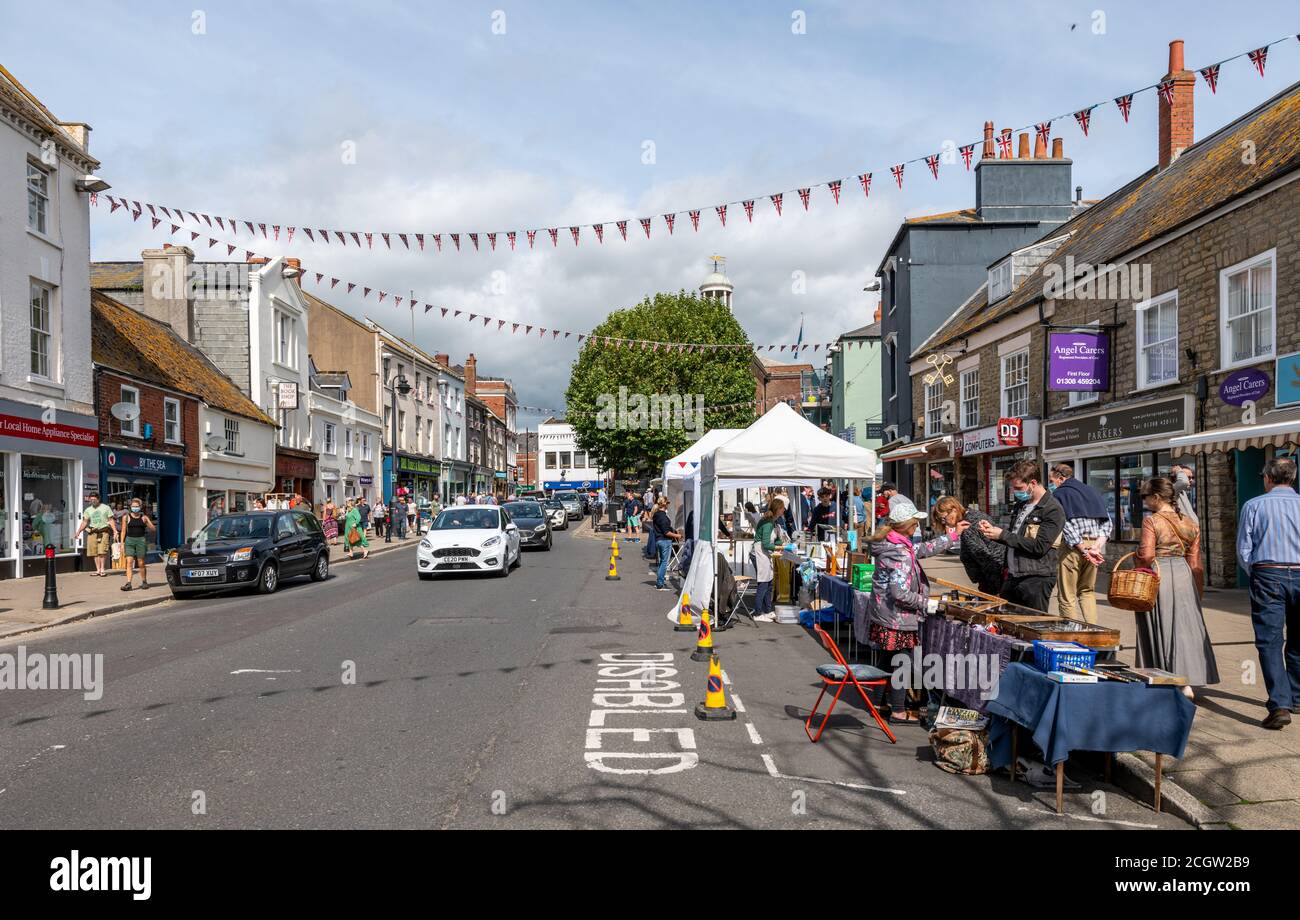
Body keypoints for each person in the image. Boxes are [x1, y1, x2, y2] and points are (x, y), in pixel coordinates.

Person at [867, 497, 969, 722]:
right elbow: (900, 593)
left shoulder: (894, 543)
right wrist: (928, 604)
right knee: (901, 662)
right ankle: (898, 710)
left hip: (886, 614)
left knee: (887, 658)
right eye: (916, 523)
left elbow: (922, 549)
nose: (918, 527)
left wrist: (952, 536)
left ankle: (876, 702)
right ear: (908, 525)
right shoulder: (900, 552)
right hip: (897, 617)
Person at [1134, 476, 1217, 700]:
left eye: (1146, 496)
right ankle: (1188, 680)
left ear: (1157, 497)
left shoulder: (1152, 521)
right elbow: (1196, 561)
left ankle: (1170, 679)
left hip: (1160, 573)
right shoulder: (1190, 523)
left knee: (1163, 626)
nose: (1144, 501)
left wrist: (1137, 560)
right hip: (1184, 575)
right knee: (1185, 629)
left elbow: (1148, 554)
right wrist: (1197, 589)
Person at [1238, 457, 1300, 730]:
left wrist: (1256, 572)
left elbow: (1244, 549)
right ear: (1292, 478)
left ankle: (1280, 704)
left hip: (1268, 572)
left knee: (1270, 641)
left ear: (1268, 478)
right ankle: (1295, 697)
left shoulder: (1254, 505)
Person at [979, 460, 1065, 614]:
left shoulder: (1052, 509)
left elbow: (1039, 547)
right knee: (1005, 623)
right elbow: (1016, 535)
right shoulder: (1022, 505)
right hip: (1014, 575)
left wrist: (1003, 535)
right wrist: (994, 532)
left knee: (1033, 625)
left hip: (1036, 578)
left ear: (1033, 482)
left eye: (1018, 487)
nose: (1015, 491)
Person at [1049, 462, 1112, 624]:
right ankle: (1093, 632)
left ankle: (1072, 635)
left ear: (1061, 478)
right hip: (1094, 545)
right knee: (1087, 591)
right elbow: (1107, 522)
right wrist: (1097, 546)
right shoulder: (1091, 491)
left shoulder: (1060, 494)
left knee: (1067, 594)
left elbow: (1066, 524)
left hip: (1073, 547)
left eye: (1052, 480)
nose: (1051, 484)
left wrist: (1084, 550)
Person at [751, 497, 786, 622]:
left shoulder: (774, 522)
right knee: (763, 583)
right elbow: (766, 543)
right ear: (778, 510)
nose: (784, 510)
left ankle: (767, 610)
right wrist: (779, 547)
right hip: (759, 553)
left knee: (769, 583)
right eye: (782, 508)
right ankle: (758, 613)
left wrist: (780, 541)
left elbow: (774, 539)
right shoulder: (768, 523)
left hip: (764, 553)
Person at [959, 507, 1006, 596]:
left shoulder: (967, 526)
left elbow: (983, 556)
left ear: (953, 511)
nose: (943, 522)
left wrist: (995, 588)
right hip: (998, 571)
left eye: (944, 518)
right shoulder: (976, 515)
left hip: (992, 578)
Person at [74, 492, 118, 577]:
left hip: (103, 531)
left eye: (94, 499)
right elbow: (85, 522)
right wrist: (78, 531)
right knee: (94, 552)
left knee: (102, 551)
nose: (93, 501)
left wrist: (115, 531)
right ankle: (97, 570)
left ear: (98, 499)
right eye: (91, 500)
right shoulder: (88, 510)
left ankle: (102, 570)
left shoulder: (106, 508)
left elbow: (111, 520)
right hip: (92, 532)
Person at [119, 499, 157, 591]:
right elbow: (123, 531)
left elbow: (153, 529)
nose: (135, 508)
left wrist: (147, 521)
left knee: (141, 562)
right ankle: (128, 583)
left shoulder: (144, 517)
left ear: (140, 507)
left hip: (141, 540)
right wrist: (122, 543)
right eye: (133, 506)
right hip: (129, 541)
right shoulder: (126, 517)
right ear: (130, 507)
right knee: (129, 562)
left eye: (137, 506)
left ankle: (144, 581)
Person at [650, 497, 681, 591]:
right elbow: (666, 532)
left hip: (659, 540)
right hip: (664, 540)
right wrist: (677, 535)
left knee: (662, 562)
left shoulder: (656, 514)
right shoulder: (662, 516)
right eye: (667, 503)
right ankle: (660, 583)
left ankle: (660, 581)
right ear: (664, 504)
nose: (668, 505)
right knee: (664, 562)